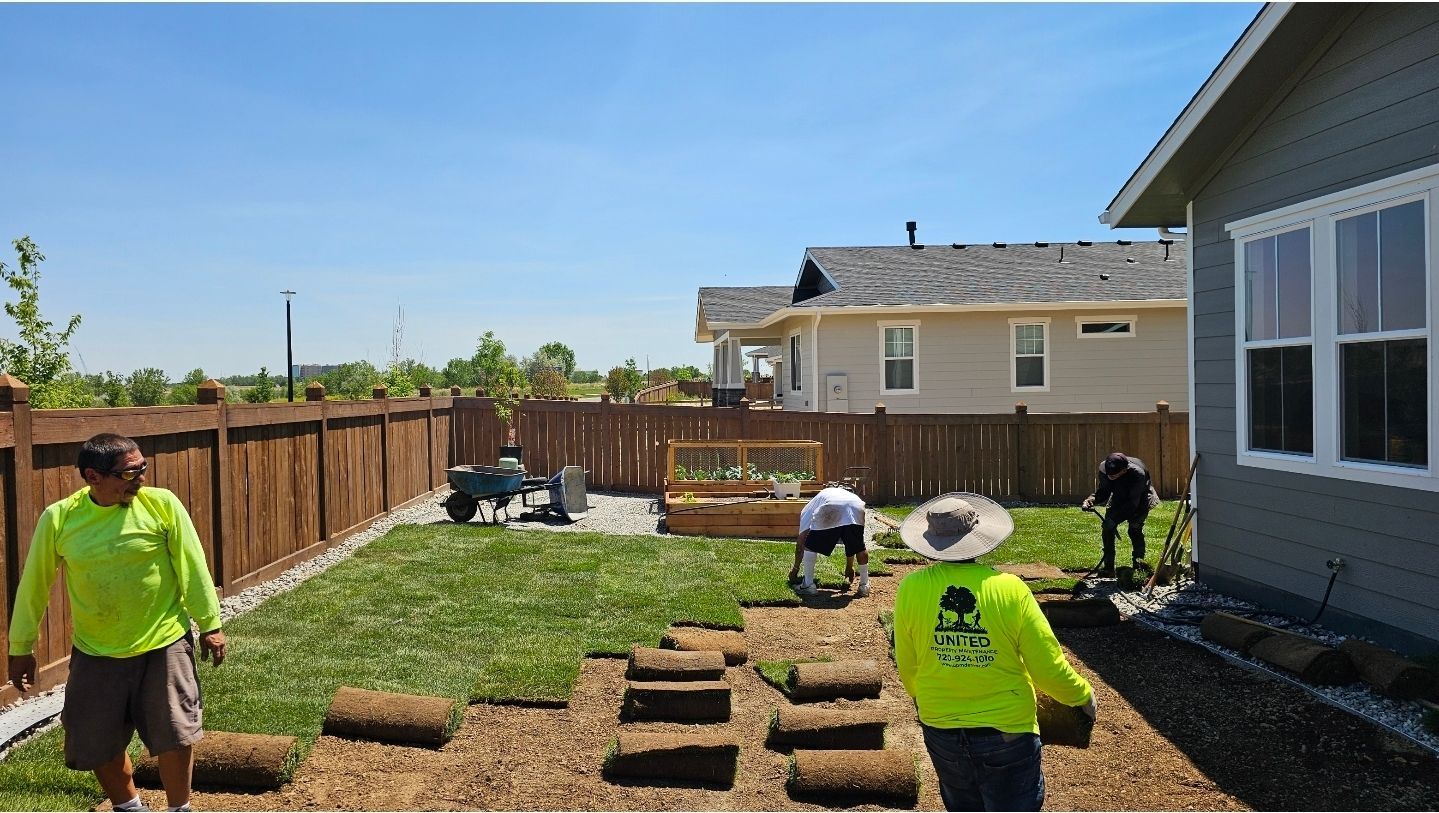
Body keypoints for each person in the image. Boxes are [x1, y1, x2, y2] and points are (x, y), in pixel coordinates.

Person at [7, 433, 225, 813]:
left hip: (164, 642)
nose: (141, 478)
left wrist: (210, 623)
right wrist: (21, 647)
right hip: (96, 650)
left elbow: (193, 566)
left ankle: (180, 808)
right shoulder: (60, 519)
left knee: (176, 733)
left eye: (143, 467)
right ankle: (129, 807)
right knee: (94, 738)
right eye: (130, 472)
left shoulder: (162, 505)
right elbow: (33, 586)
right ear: (93, 476)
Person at [894, 492, 1095, 812]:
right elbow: (1047, 667)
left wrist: (929, 699)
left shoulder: (910, 589)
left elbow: (908, 666)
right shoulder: (1010, 589)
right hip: (1007, 733)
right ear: (977, 536)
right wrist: (1082, 696)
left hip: (941, 729)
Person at [1081, 451, 1160, 575]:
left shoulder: (1138, 474)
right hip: (1119, 496)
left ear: (1124, 470)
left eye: (1114, 475)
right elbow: (1104, 491)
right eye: (1109, 475)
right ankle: (1109, 568)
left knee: (1134, 530)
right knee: (1107, 529)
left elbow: (1133, 503)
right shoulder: (1104, 469)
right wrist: (1091, 499)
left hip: (1141, 499)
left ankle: (1138, 567)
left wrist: (1115, 519)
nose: (1110, 477)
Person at [785, 485, 869, 597]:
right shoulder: (841, 494)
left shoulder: (806, 510)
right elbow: (851, 544)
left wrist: (795, 570)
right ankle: (864, 586)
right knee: (859, 547)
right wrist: (849, 567)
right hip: (856, 505)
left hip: (832, 506)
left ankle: (808, 585)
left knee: (810, 546)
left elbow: (801, 543)